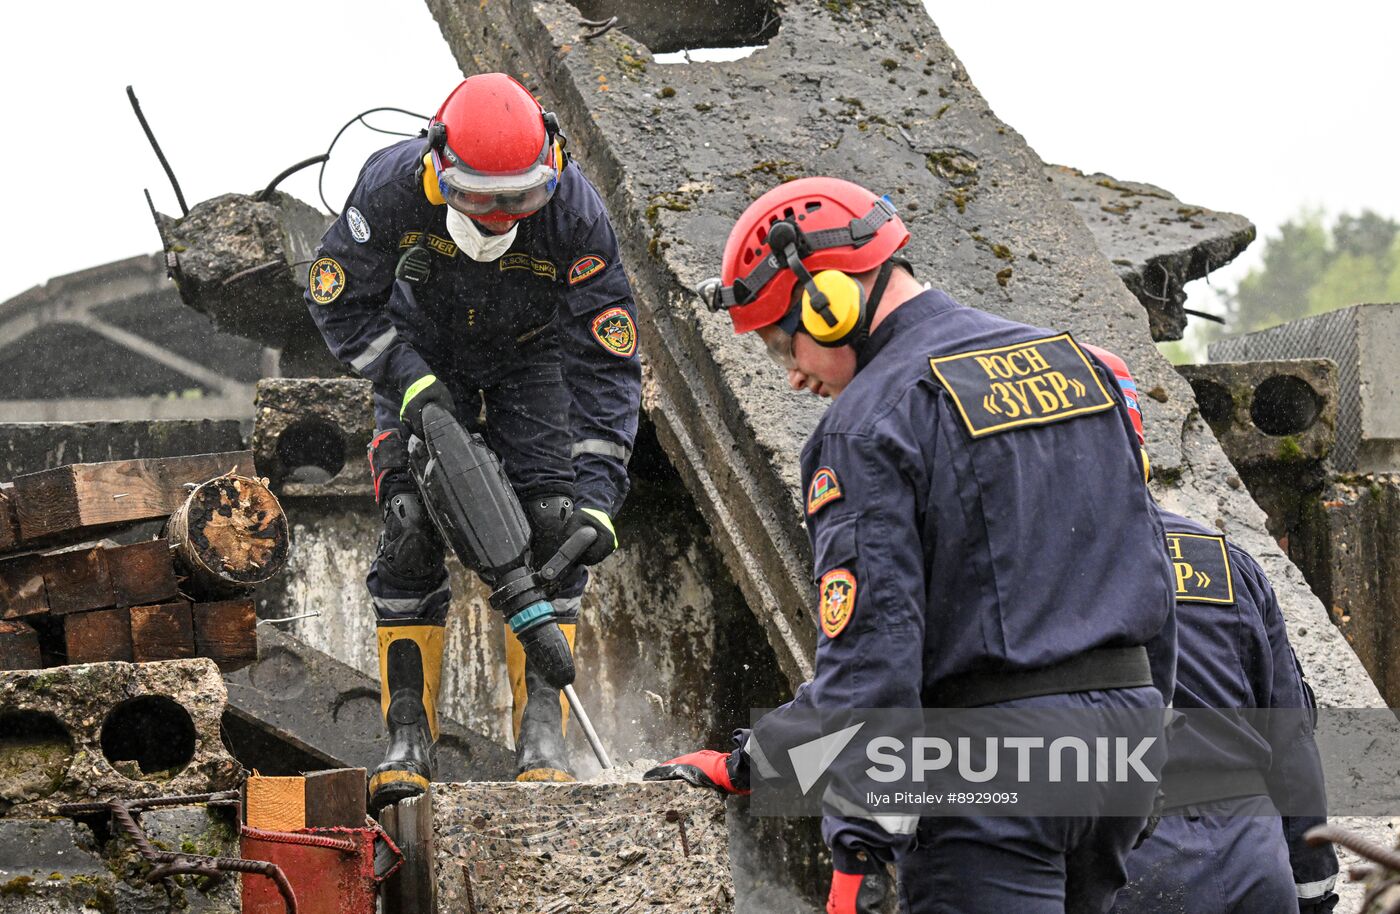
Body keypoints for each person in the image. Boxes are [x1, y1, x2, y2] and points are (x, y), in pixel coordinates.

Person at [646, 177, 1176, 913]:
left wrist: (859, 845)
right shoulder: (1080, 369)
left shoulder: (866, 425)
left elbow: (874, 657)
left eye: (780, 342)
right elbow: (1155, 581)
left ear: (826, 301)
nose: (792, 374)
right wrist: (755, 762)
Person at [304, 73, 641, 804]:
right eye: (480, 196)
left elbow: (608, 362)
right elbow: (338, 302)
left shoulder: (577, 218)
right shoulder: (390, 190)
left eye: (521, 197)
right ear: (437, 167)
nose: (498, 216)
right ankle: (406, 735)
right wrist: (411, 380)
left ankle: (542, 735)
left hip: (532, 355)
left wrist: (600, 498)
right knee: (408, 526)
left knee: (555, 523)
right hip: (421, 352)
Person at [1087, 347, 1339, 914]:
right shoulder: (1226, 561)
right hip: (1253, 853)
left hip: (1137, 859)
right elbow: (1290, 737)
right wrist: (1313, 886)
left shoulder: (1042, 568)